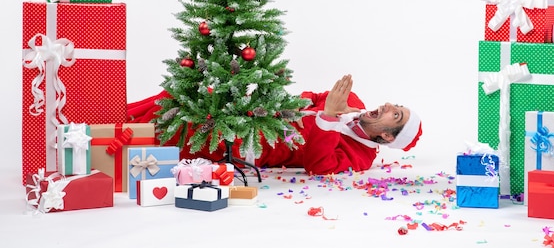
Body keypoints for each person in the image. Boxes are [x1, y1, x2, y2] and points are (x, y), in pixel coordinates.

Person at [127, 74, 423, 175]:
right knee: (179, 97)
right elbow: (314, 96)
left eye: (395, 115)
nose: (386, 106)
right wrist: (301, 105)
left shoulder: (361, 157)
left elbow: (319, 165)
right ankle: (111, 121)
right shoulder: (353, 100)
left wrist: (329, 118)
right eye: (394, 105)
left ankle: (116, 144)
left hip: (248, 141)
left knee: (187, 130)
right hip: (250, 108)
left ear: (386, 135)